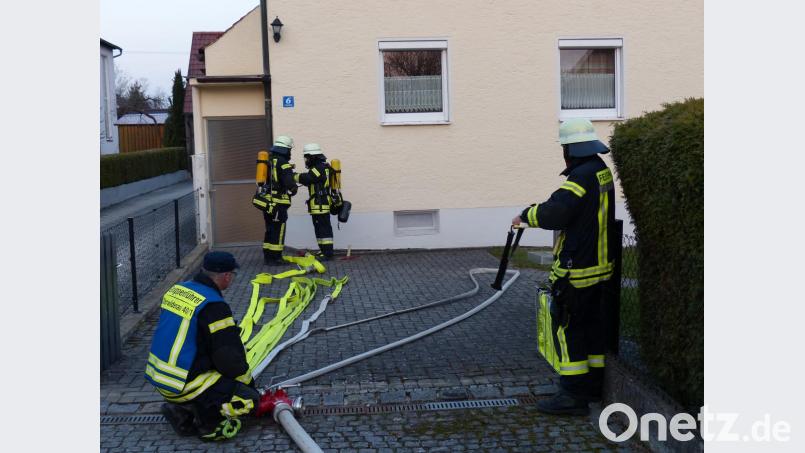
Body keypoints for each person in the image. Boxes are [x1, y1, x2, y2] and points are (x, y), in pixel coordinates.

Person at [512, 118, 616, 415]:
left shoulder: (579, 178)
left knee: (568, 330)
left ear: (569, 149)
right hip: (599, 268)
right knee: (593, 330)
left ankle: (572, 396)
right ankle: (594, 387)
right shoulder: (600, 172)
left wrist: (525, 215)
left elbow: (555, 212)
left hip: (576, 271)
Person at [145, 251, 259, 441]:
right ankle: (208, 424)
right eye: (232, 275)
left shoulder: (178, 290)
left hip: (161, 380)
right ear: (226, 276)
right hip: (186, 383)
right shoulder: (214, 307)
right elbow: (228, 359)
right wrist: (249, 385)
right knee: (249, 400)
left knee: (215, 380)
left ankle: (180, 409)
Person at [294, 143, 334, 260]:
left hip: (319, 204)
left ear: (313, 157)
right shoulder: (324, 166)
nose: (306, 160)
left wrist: (292, 176)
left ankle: (327, 254)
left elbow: (308, 178)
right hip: (321, 202)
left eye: (307, 158)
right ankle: (324, 251)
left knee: (323, 228)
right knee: (321, 228)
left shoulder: (318, 169)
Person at [262, 135, 298, 265]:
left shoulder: (268, 161)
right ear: (285, 150)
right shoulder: (283, 163)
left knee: (269, 228)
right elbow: (289, 183)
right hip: (278, 204)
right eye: (289, 149)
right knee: (279, 229)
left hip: (267, 203)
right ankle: (276, 257)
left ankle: (267, 255)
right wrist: (294, 188)